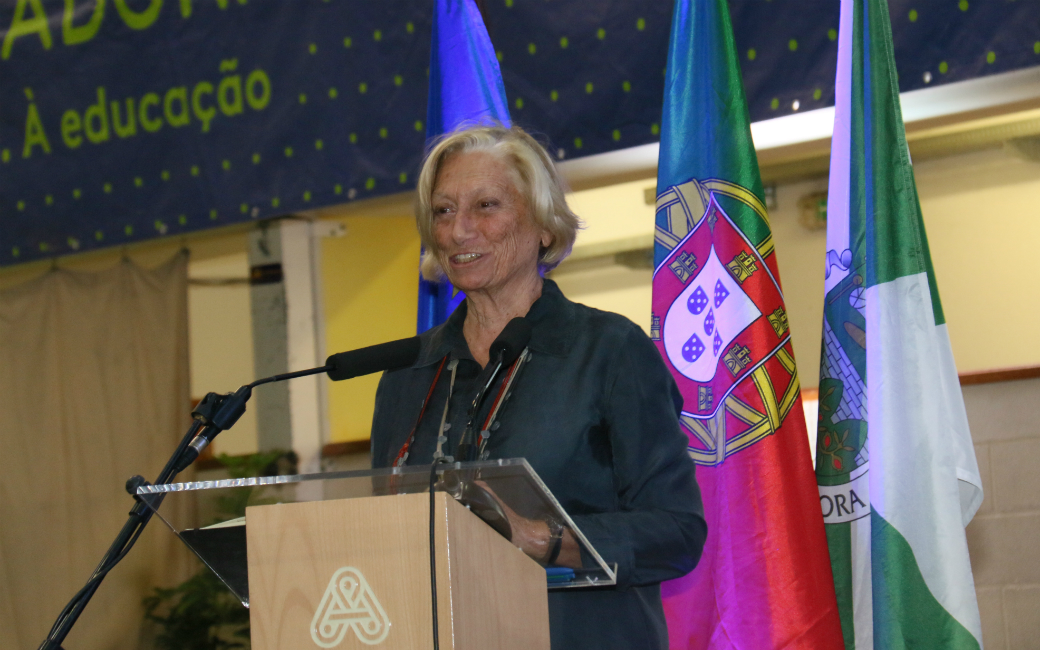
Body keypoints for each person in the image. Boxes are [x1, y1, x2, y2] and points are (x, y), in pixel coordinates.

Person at [370, 124, 706, 649]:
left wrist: (543, 540)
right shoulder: (408, 374)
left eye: (486, 206)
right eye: (443, 211)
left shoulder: (609, 351)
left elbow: (678, 534)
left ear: (545, 227)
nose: (459, 231)